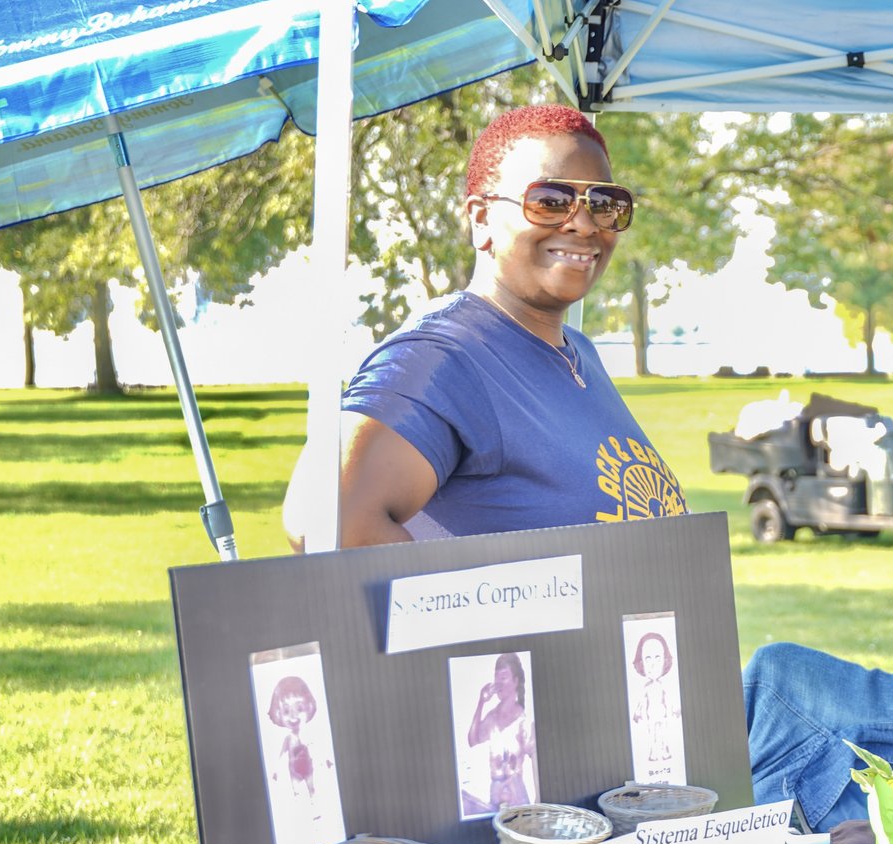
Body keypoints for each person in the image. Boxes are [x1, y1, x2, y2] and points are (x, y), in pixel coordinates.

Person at [285, 102, 690, 547]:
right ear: (481, 218)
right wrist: (471, 593)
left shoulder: (579, 352)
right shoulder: (442, 357)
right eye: (549, 202)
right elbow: (323, 518)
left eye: (603, 204)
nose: (583, 224)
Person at [463, 651, 538, 814]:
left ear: (516, 681)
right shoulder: (492, 717)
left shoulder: (523, 721)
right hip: (495, 801)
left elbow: (537, 761)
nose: (498, 683)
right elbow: (473, 741)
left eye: (503, 677)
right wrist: (481, 702)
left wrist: (538, 802)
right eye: (496, 677)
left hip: (517, 803)